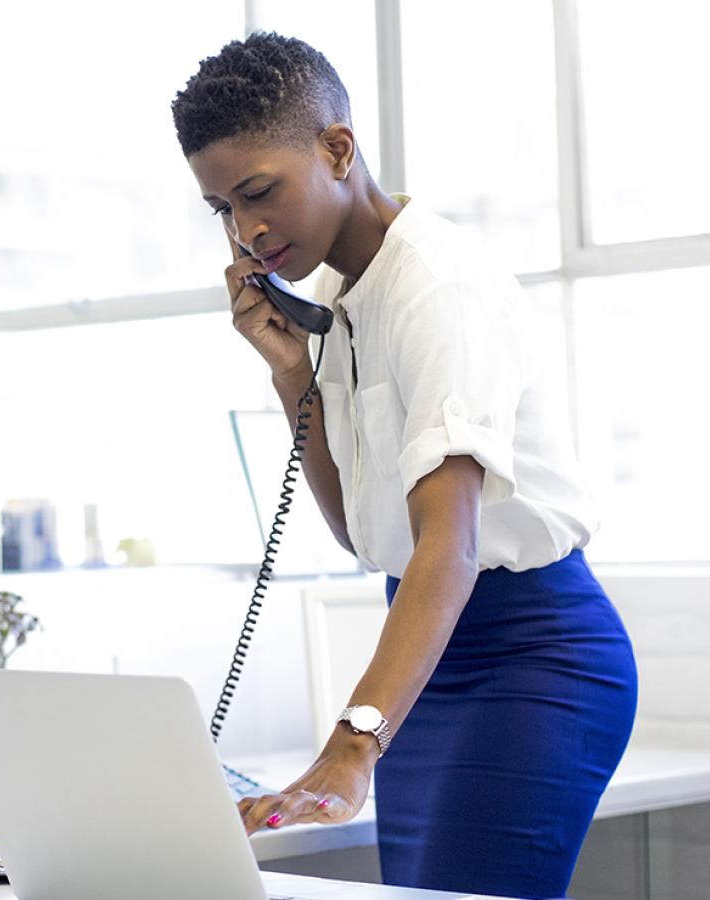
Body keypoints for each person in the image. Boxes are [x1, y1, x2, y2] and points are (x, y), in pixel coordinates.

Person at [171, 32, 637, 900]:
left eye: (259, 192)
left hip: (531, 656)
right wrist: (289, 375)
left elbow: (448, 549)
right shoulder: (349, 297)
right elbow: (362, 530)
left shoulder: (436, 288)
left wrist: (351, 748)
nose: (247, 230)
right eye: (222, 209)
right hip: (427, 666)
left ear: (338, 149)